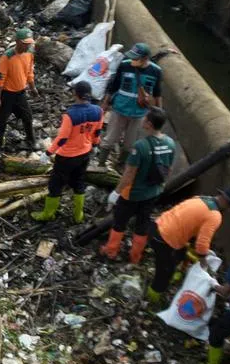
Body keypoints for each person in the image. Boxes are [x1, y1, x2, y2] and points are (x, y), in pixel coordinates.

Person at [100, 108, 176, 264]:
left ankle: (111, 250)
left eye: (145, 119)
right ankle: (135, 256)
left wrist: (116, 192)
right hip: (153, 192)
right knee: (142, 224)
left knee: (120, 222)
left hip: (133, 194)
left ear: (148, 123)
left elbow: (129, 174)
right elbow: (169, 169)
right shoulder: (170, 143)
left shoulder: (140, 146)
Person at [148, 187, 230, 304]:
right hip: (163, 239)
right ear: (227, 202)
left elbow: (193, 224)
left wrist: (201, 250)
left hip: (158, 224)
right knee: (164, 273)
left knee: (181, 252)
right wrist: (204, 263)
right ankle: (152, 299)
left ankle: (176, 274)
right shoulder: (215, 216)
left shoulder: (202, 198)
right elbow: (202, 243)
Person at [32, 81, 103, 224]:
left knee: (56, 184)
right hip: (85, 153)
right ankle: (78, 215)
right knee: (79, 182)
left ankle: (48, 214)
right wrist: (95, 145)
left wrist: (48, 153)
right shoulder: (98, 111)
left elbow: (62, 138)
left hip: (67, 157)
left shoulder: (70, 115)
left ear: (75, 94)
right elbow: (97, 131)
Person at [99, 42, 163, 167]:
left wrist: (159, 113)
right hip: (120, 109)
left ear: (145, 58)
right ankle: (100, 164)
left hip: (139, 113)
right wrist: (105, 103)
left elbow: (157, 93)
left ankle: (120, 164)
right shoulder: (124, 65)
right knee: (110, 138)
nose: (132, 60)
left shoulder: (156, 71)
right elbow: (114, 86)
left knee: (130, 143)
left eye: (135, 58)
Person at [0, 28, 36, 153]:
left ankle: (30, 141)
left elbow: (29, 72)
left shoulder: (29, 54)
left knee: (28, 117)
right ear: (17, 41)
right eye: (24, 43)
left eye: (29, 43)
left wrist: (33, 87)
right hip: (7, 94)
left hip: (20, 93)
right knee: (1, 121)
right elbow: (0, 78)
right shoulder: (7, 57)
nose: (27, 45)